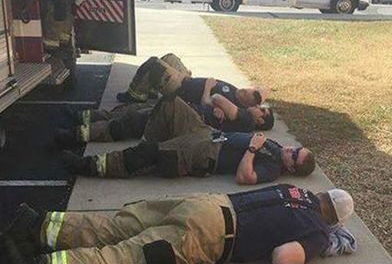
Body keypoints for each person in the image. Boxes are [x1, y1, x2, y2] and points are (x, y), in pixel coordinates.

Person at [0, 183, 354, 264]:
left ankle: (39, 226)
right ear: (335, 221)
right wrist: (318, 248)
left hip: (205, 203)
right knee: (129, 258)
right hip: (210, 235)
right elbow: (283, 259)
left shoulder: (295, 191)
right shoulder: (318, 230)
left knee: (121, 225)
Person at [61, 96, 313, 184]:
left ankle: (87, 165)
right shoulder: (279, 149)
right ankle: (85, 131)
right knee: (170, 103)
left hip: (204, 154)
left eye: (295, 155)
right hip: (207, 132)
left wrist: (251, 148)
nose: (291, 149)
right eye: (297, 148)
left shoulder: (272, 168)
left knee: (149, 154)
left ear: (291, 167)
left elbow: (244, 177)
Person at [54, 83, 274, 147]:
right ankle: (80, 117)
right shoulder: (241, 116)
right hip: (186, 111)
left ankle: (74, 135)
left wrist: (217, 102)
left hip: (181, 118)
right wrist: (214, 103)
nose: (258, 107)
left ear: (261, 119)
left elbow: (215, 99)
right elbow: (212, 101)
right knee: (130, 112)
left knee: (132, 122)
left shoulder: (246, 121)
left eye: (261, 109)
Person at [115, 52, 269, 108]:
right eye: (251, 89)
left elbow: (206, 104)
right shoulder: (237, 92)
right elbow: (261, 92)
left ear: (251, 104)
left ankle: (135, 95)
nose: (247, 90)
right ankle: (151, 90)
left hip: (181, 90)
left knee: (154, 64)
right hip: (188, 80)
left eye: (252, 94)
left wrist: (208, 87)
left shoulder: (231, 103)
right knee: (170, 57)